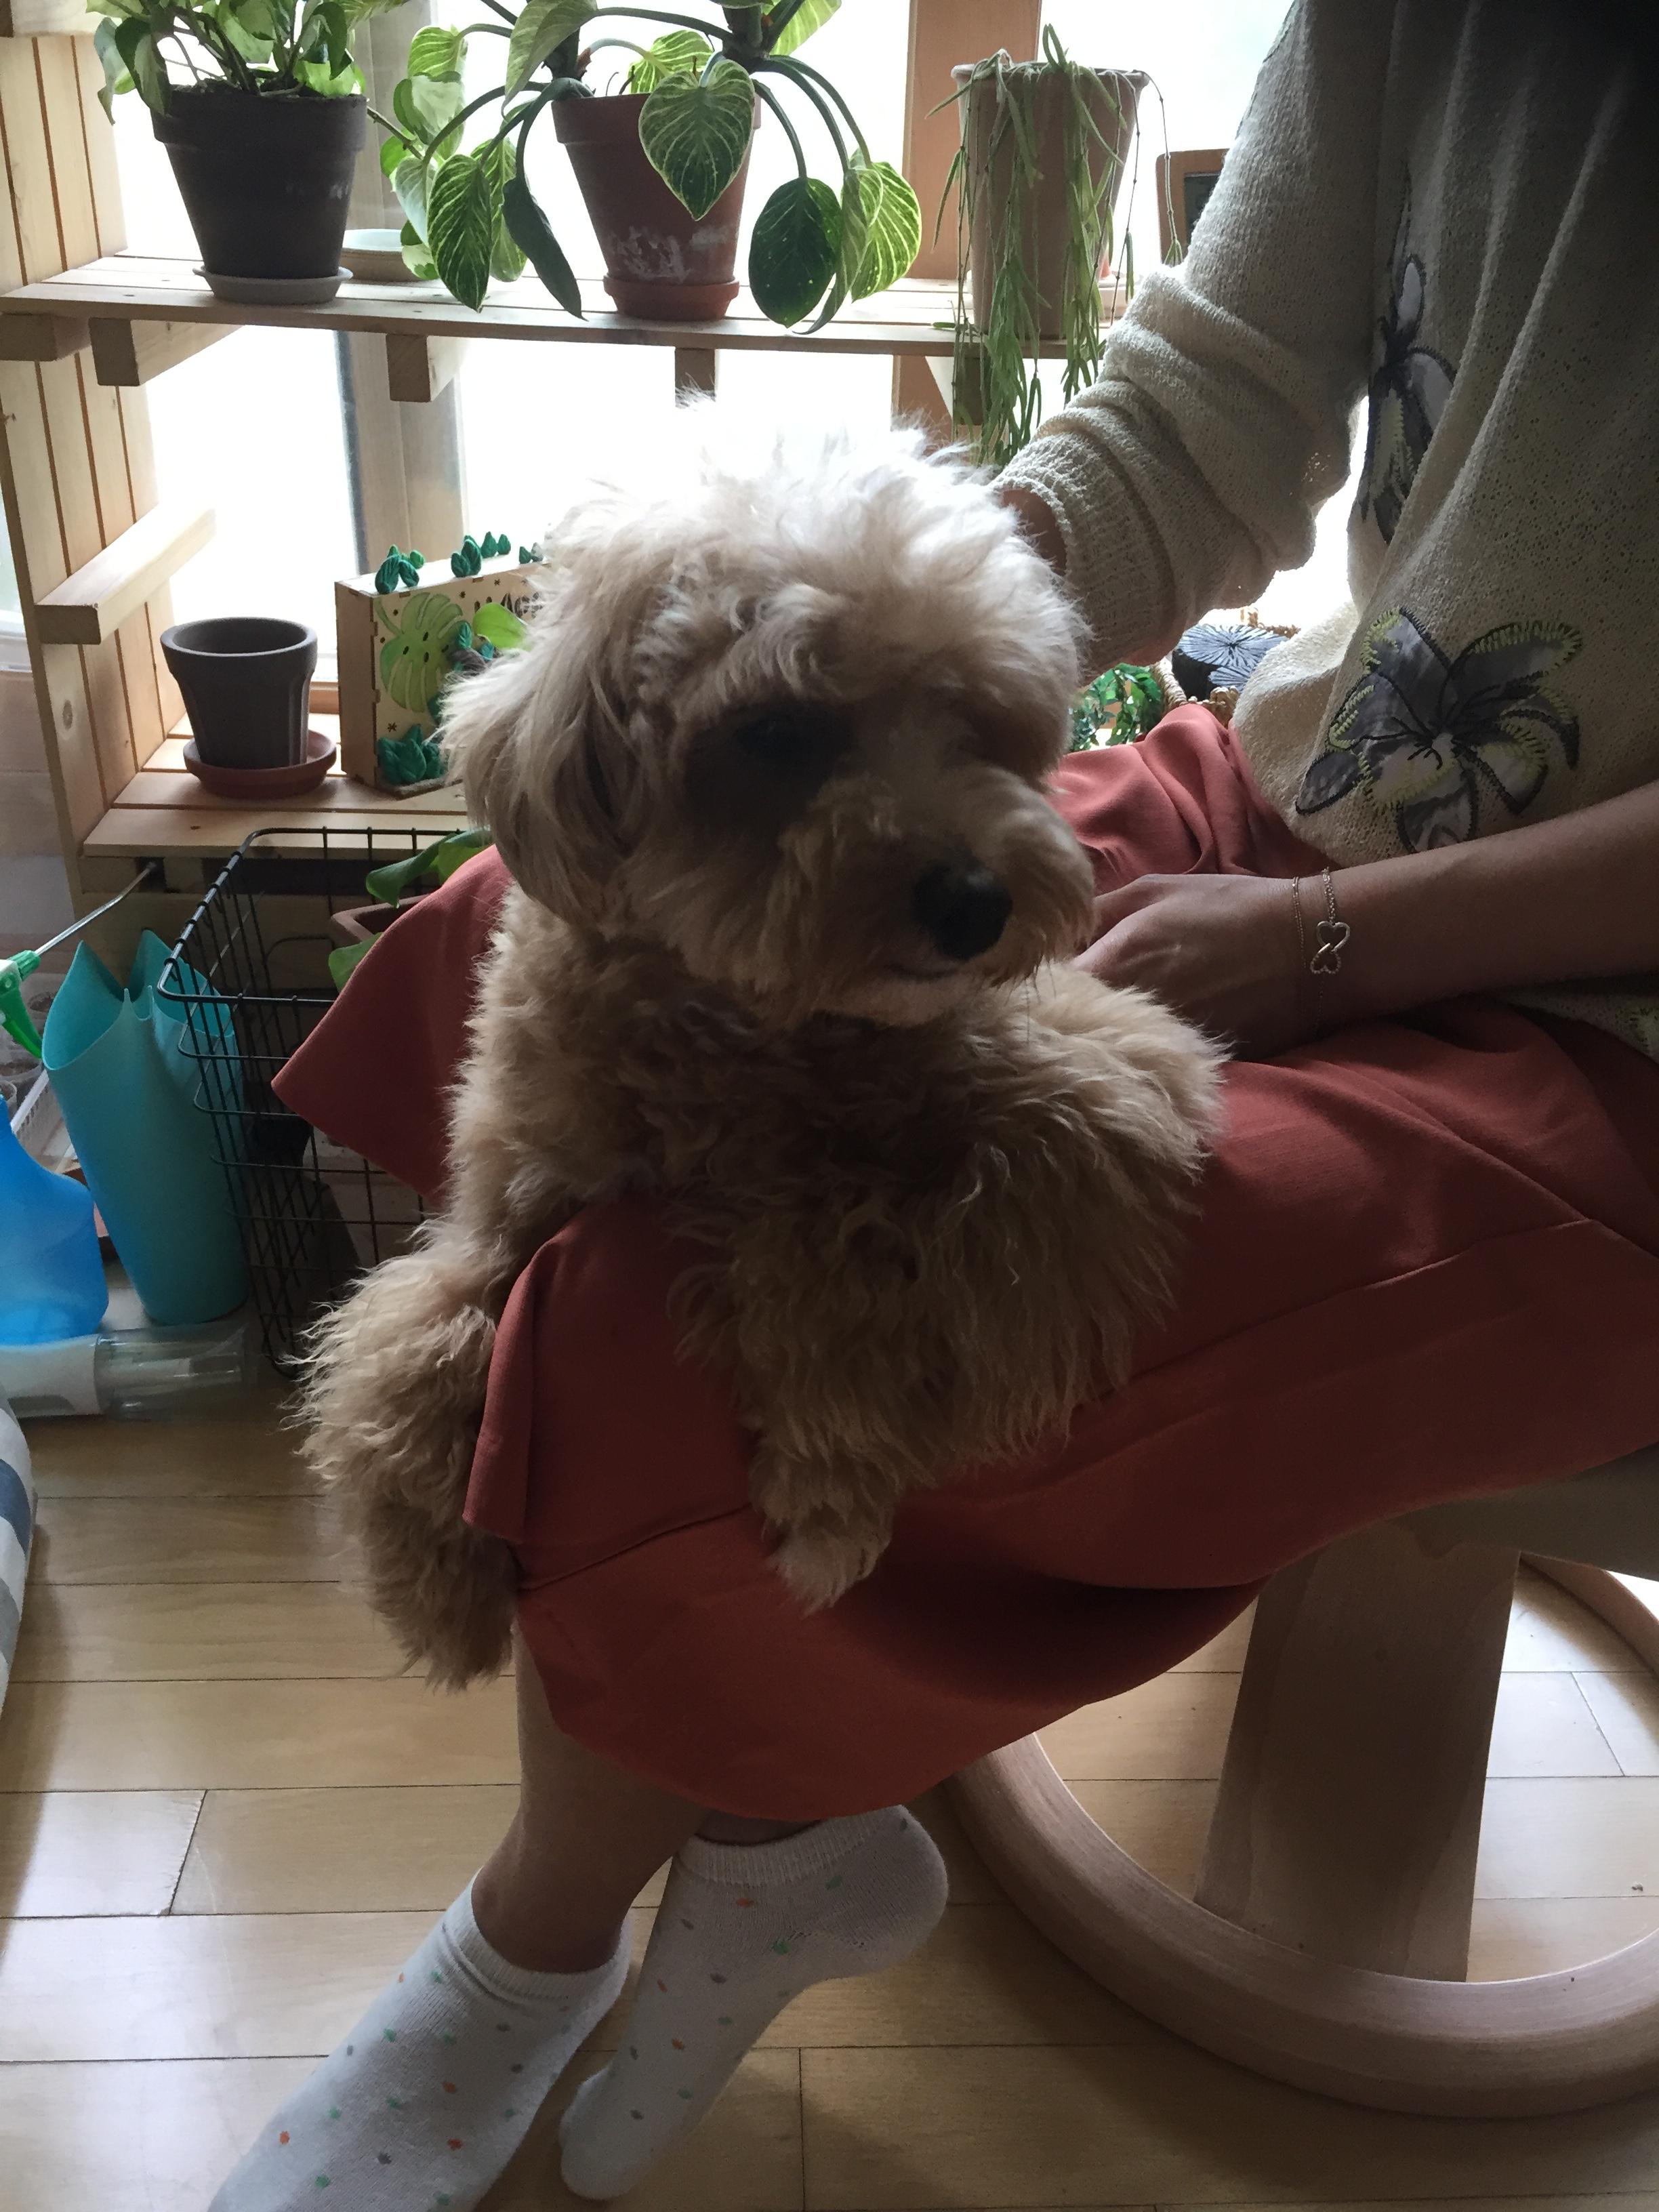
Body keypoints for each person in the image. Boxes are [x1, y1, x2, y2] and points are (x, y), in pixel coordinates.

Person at [213, 2, 1659, 2205]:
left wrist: (1324, 947)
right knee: (484, 926)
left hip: (1608, 1016)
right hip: (1317, 774)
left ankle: (561, 1922)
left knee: (649, 1343)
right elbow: (1198, 408)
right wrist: (895, 616)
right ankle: (753, 1774)